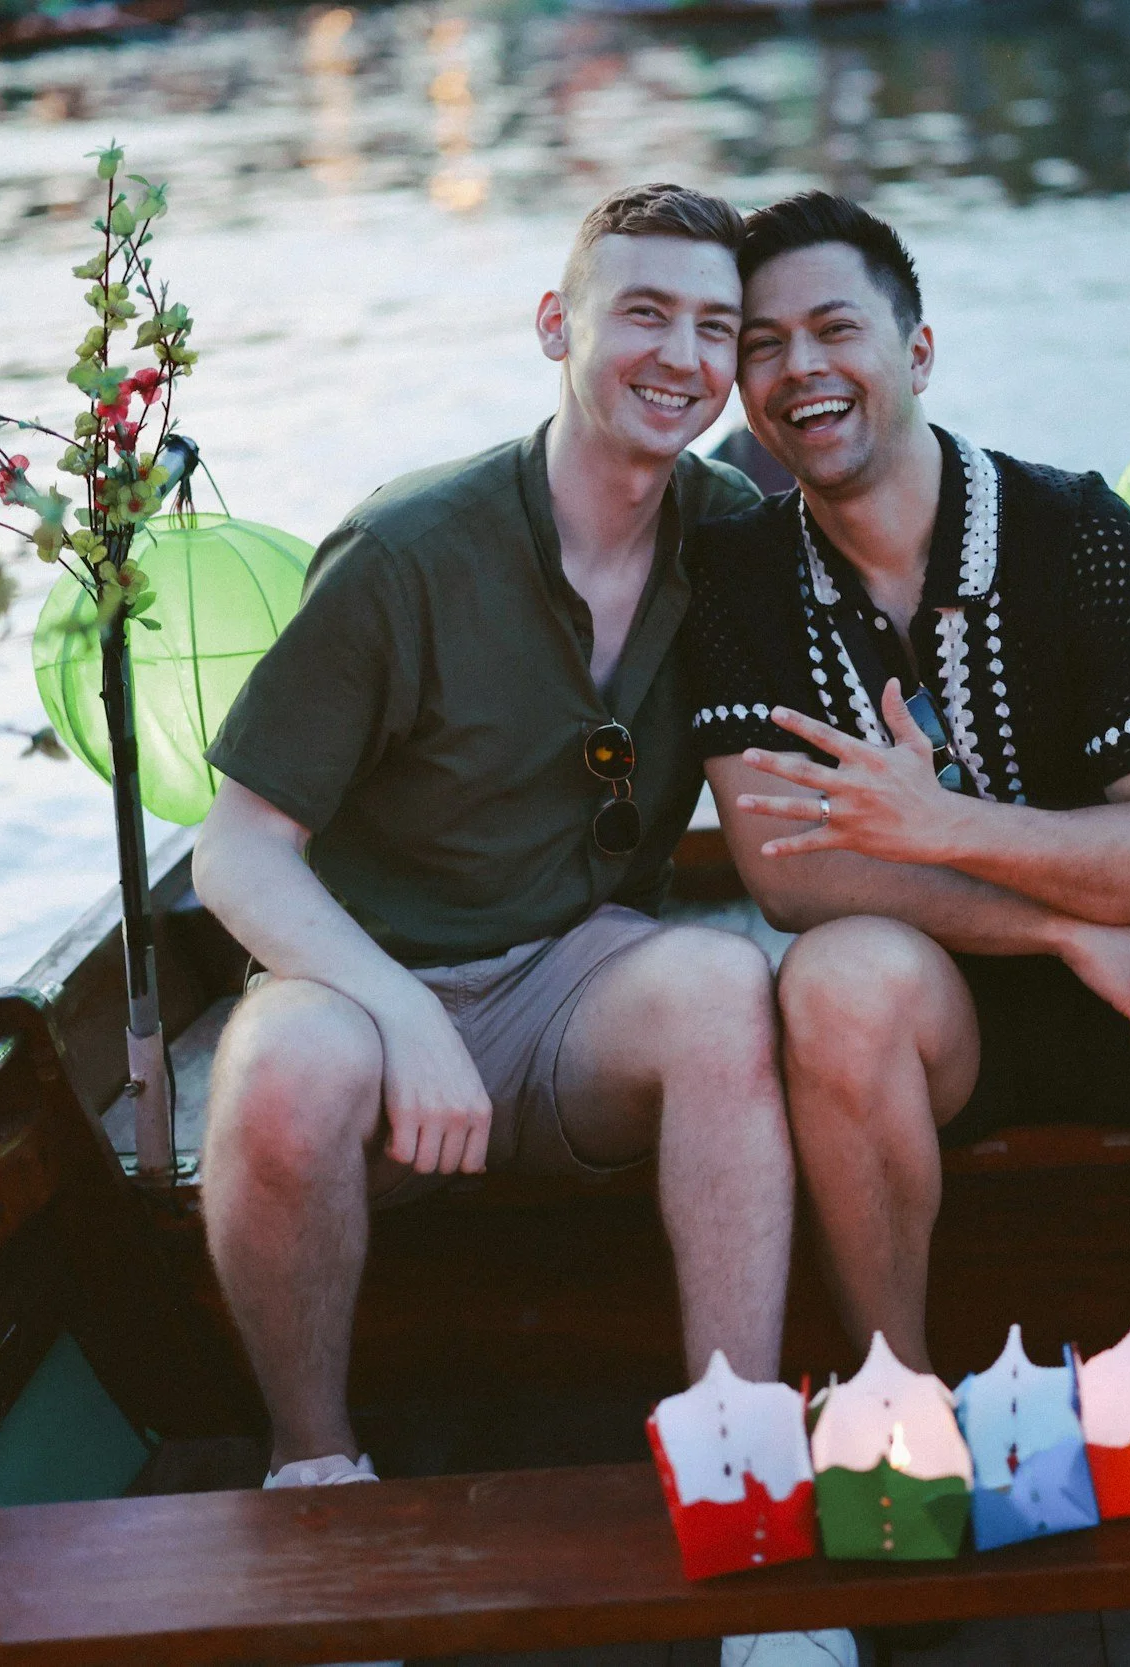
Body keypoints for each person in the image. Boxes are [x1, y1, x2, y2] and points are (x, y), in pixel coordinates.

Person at [687, 192, 1130, 1369]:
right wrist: (1058, 928)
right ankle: (896, 1399)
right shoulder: (734, 575)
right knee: (834, 983)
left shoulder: (1079, 533)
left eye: (834, 328)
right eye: (763, 345)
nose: (800, 368)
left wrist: (942, 825)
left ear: (917, 352)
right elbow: (790, 876)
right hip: (936, 1017)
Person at [192, 182, 796, 1498]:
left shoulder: (734, 537)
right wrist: (402, 1009)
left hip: (576, 985)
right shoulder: (405, 550)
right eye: (643, 313)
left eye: (714, 326)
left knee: (721, 985)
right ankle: (315, 1465)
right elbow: (235, 849)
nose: (681, 357)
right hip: (365, 990)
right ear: (554, 325)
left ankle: (741, 1455)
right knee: (279, 1071)